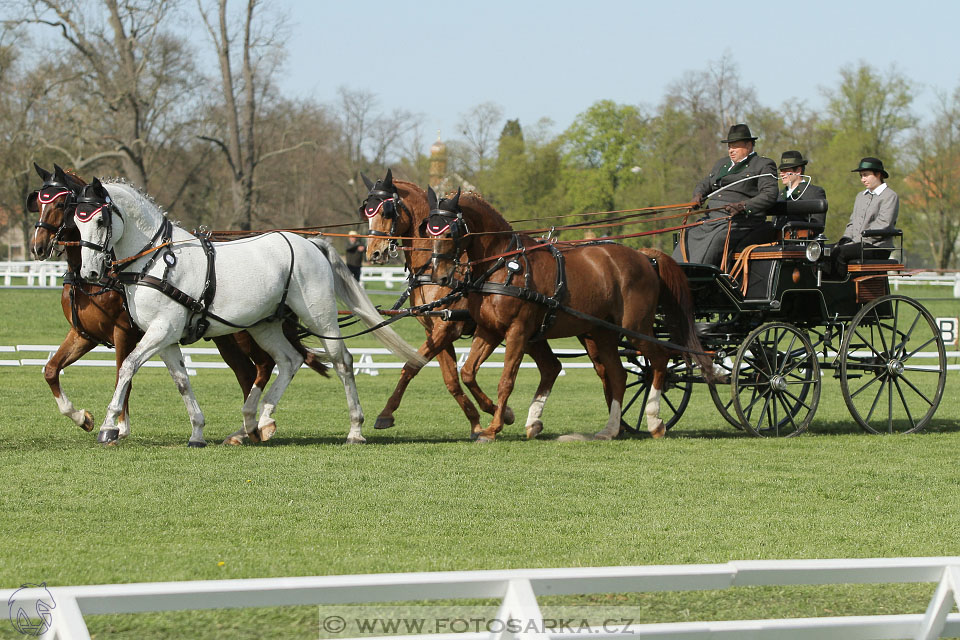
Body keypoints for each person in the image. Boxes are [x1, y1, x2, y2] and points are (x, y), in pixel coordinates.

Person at [673, 123, 779, 268]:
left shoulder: (763, 165)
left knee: (716, 238)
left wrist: (743, 206)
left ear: (749, 145)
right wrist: (698, 195)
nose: (731, 150)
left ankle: (697, 275)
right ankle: (677, 271)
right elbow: (706, 183)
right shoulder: (721, 164)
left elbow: (769, 194)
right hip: (712, 217)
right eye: (729, 146)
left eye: (735, 146)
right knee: (688, 232)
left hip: (740, 220)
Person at [832, 157, 899, 270]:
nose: (863, 179)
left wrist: (856, 241)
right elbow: (852, 222)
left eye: (866, 175)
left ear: (878, 174)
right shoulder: (860, 196)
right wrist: (845, 239)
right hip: (857, 244)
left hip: (877, 247)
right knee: (824, 250)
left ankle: (843, 286)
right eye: (861, 176)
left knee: (839, 253)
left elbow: (883, 224)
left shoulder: (890, 196)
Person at [773, 150, 827, 230]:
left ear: (798, 171)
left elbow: (818, 225)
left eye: (786, 170)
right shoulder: (779, 195)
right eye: (781, 170)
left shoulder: (814, 192)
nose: (781, 174)